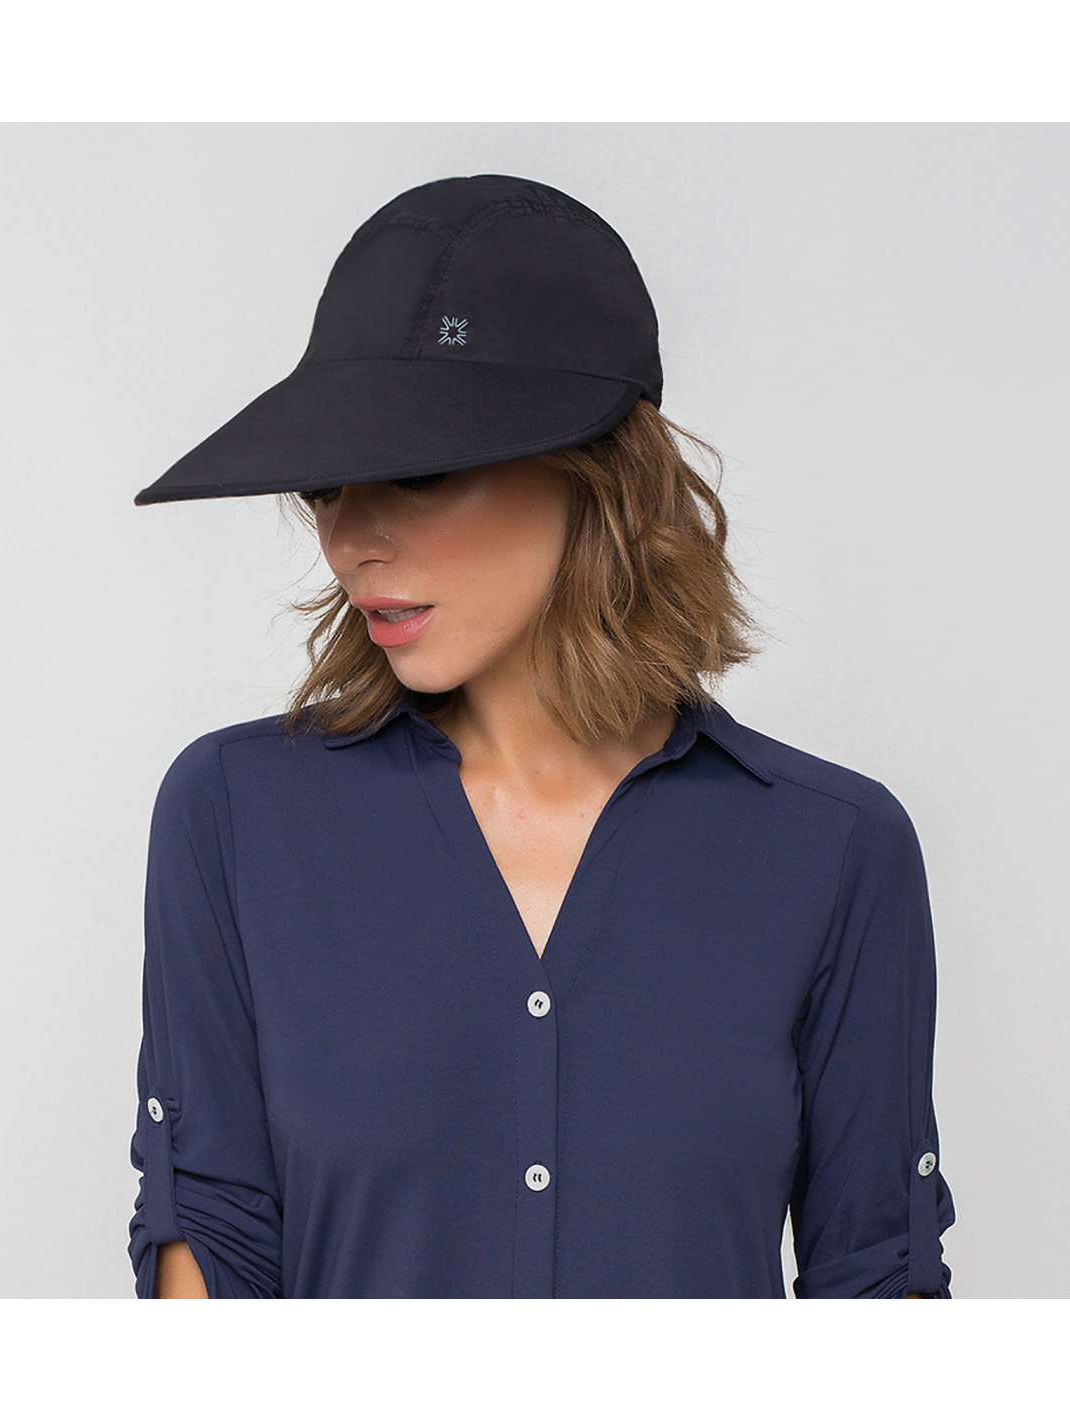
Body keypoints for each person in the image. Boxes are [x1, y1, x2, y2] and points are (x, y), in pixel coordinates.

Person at [129, 173, 955, 1298]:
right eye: (324, 487)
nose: (351, 538)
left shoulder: (834, 850)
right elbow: (208, 1243)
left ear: (597, 477)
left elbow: (879, 1281)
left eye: (417, 471)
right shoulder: (236, 817)